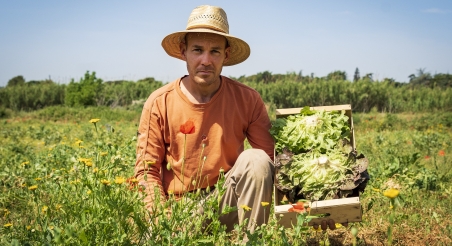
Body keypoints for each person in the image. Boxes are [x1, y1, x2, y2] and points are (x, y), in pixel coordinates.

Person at [134, 5, 275, 233]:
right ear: (184, 52)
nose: (206, 60)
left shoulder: (248, 99)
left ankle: (252, 239)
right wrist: (161, 222)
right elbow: (146, 172)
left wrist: (313, 209)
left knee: (256, 159)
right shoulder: (159, 102)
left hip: (229, 203)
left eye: (215, 51)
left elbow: (272, 159)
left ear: (226, 55)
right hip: (180, 214)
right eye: (197, 50)